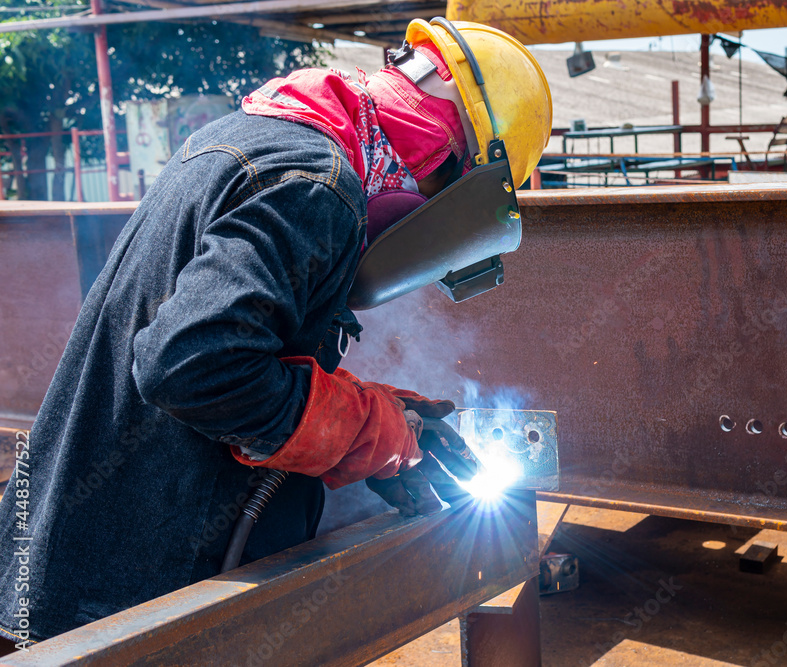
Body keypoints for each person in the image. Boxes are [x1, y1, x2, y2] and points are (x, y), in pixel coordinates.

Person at [0, 18, 551, 645]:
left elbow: (238, 342)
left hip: (78, 571)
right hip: (140, 603)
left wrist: (377, 410)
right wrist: (369, 429)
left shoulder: (249, 140)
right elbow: (192, 363)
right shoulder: (314, 184)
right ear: (448, 158)